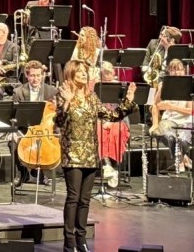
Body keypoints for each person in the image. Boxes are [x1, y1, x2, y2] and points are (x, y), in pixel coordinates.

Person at [55, 59, 135, 252]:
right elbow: (59, 122)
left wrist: (128, 100)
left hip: (91, 154)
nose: (84, 74)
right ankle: (69, 243)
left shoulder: (92, 97)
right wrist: (67, 102)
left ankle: (81, 240)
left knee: (85, 200)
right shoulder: (63, 94)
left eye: (85, 71)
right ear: (71, 74)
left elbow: (112, 116)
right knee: (73, 198)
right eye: (80, 71)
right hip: (72, 154)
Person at [9, 60, 58, 187]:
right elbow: (13, 115)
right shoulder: (18, 92)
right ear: (27, 75)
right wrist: (13, 131)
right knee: (12, 143)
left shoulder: (52, 91)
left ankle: (42, 173)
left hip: (46, 128)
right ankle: (22, 173)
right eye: (32, 76)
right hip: (25, 129)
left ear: (42, 75)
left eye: (38, 75)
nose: (35, 79)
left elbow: (56, 115)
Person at [150, 58, 194, 172]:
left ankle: (180, 158)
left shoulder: (191, 86)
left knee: (182, 140)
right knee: (167, 136)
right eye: (173, 70)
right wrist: (155, 124)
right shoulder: (163, 85)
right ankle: (180, 159)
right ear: (169, 71)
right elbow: (154, 105)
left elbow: (191, 110)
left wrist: (171, 106)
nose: (177, 72)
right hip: (169, 120)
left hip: (187, 120)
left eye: (179, 70)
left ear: (184, 71)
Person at [97, 62, 129, 187]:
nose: (108, 75)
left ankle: (114, 167)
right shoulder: (97, 87)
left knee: (116, 132)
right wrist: (103, 120)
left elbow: (125, 109)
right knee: (99, 131)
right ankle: (107, 165)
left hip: (118, 120)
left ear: (114, 73)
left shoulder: (120, 87)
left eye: (110, 72)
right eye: (105, 73)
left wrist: (111, 121)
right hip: (101, 120)